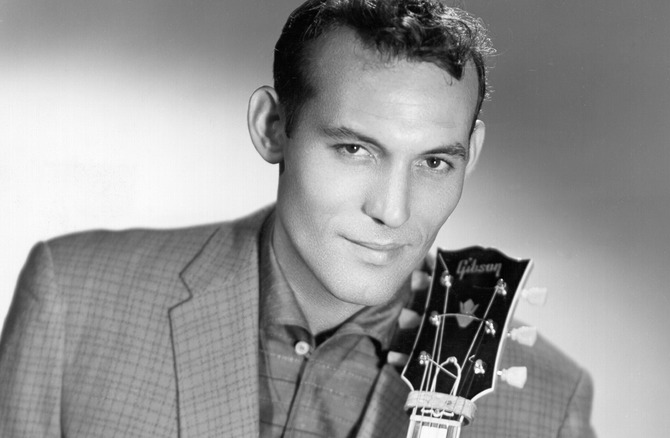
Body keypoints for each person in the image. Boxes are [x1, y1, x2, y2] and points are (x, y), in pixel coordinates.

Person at [0, 0, 595, 436]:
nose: (393, 210)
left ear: (473, 155)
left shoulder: (547, 404)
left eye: (435, 162)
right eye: (355, 149)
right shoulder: (72, 300)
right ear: (272, 127)